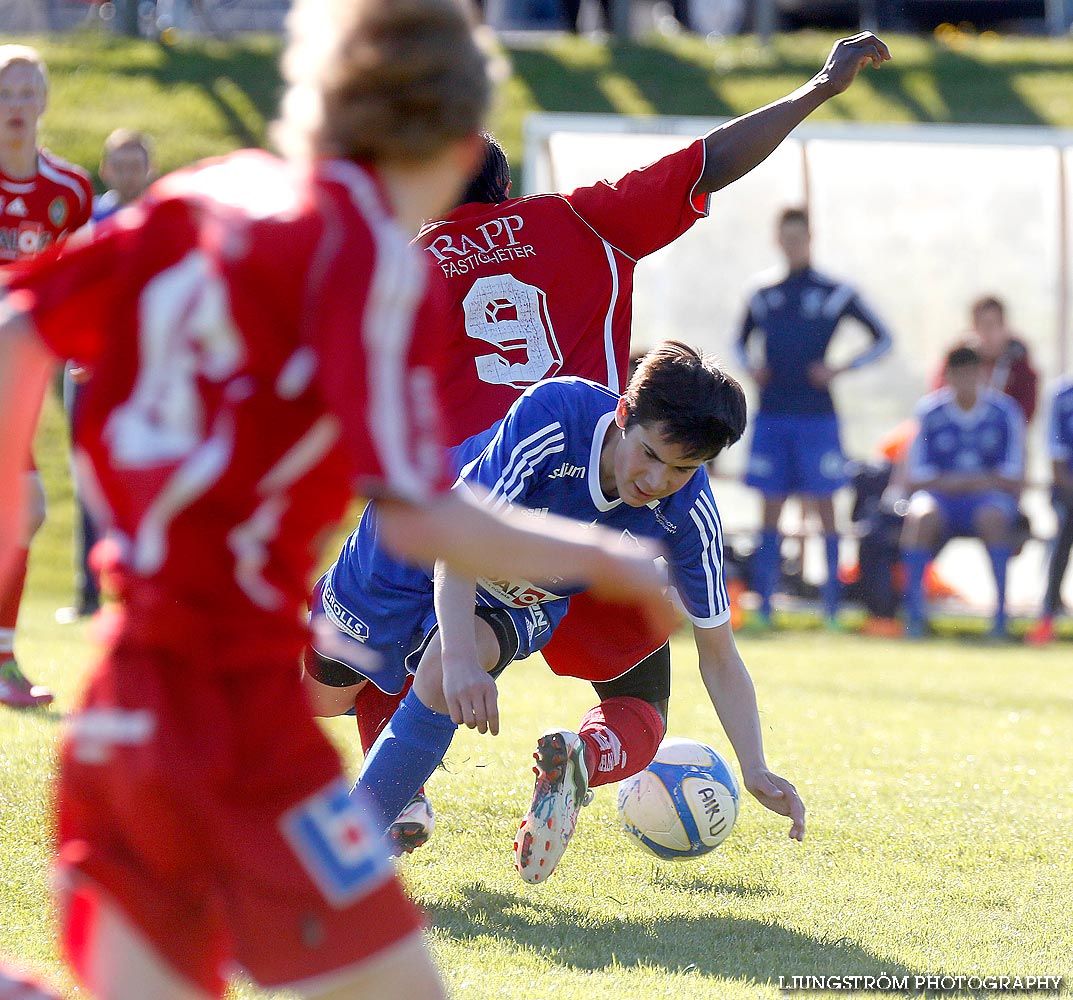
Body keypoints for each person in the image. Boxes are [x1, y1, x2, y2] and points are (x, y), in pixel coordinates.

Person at [0, 1, 673, 997]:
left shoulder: (205, 193)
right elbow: (417, 514)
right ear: (448, 140)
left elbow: (21, 327)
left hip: (124, 698)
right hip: (228, 713)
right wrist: (606, 557)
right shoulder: (362, 267)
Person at [332, 30, 891, 848]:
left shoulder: (402, 264)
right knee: (637, 703)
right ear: (506, 185)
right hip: (605, 504)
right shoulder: (582, 220)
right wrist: (814, 88)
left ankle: (391, 801)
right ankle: (586, 754)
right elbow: (707, 163)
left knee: (381, 661)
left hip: (469, 501)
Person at [307, 343, 805, 883]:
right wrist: (458, 659)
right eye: (650, 454)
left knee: (443, 672)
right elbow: (459, 540)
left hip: (517, 592)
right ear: (623, 414)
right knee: (323, 696)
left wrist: (754, 766)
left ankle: (346, 859)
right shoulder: (557, 416)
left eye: (683, 469)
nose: (658, 481)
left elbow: (719, 654)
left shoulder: (690, 515)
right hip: (415, 543)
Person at [735, 206, 893, 630]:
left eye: (799, 237)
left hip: (817, 418)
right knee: (770, 511)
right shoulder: (763, 292)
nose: (793, 244)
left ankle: (831, 609)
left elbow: (883, 339)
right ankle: (764, 607)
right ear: (777, 239)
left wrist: (839, 369)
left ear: (810, 238)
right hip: (772, 414)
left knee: (826, 509)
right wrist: (750, 367)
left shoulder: (834, 291)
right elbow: (737, 342)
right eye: (786, 237)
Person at [0, 45, 93, 708]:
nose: (19, 106)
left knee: (21, 511)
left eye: (30, 91)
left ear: (47, 101)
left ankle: (3, 660)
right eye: (7, 92)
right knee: (25, 508)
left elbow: (82, 280)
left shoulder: (68, 191)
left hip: (22, 378)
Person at [56, 128, 156, 626]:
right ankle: (88, 594)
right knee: (89, 480)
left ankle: (140, 596)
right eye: (120, 161)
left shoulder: (167, 220)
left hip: (148, 373)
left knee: (147, 478)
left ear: (150, 167)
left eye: (136, 161)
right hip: (87, 369)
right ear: (106, 167)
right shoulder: (88, 219)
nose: (128, 170)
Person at [899, 345, 1025, 640]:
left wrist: (968, 482)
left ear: (982, 374)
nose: (965, 380)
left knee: (993, 516)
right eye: (958, 373)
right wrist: (957, 482)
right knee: (921, 515)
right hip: (941, 497)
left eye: (972, 372)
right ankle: (913, 617)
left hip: (987, 498)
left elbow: (1013, 473)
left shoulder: (1004, 412)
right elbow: (915, 475)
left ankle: (1000, 619)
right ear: (948, 376)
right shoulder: (929, 412)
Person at [934, 295, 1039, 425]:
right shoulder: (958, 360)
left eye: (992, 325)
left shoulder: (1019, 364)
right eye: (981, 325)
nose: (986, 333)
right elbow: (939, 399)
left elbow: (1025, 414)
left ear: (1004, 326)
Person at [1026, 376, 1073, 645]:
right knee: (1064, 530)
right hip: (1068, 494)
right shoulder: (1062, 396)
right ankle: (1048, 615)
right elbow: (1057, 462)